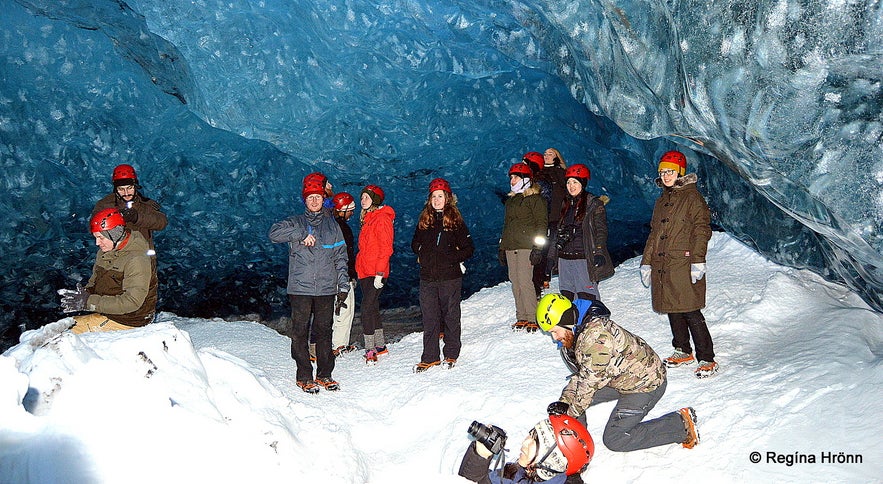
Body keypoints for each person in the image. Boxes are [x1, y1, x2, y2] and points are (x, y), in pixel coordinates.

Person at [536, 293, 700, 452]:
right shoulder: (579, 330)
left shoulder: (596, 338)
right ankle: (578, 446)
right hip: (618, 377)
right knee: (573, 401)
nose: (554, 337)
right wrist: (565, 402)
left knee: (615, 438)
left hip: (645, 384)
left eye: (554, 331)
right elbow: (583, 376)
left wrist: (569, 413)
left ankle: (680, 425)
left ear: (566, 322)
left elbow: (587, 385)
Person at [639, 150, 718, 379]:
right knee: (673, 307)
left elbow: (702, 229)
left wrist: (698, 260)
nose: (666, 176)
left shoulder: (692, 198)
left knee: (690, 310)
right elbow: (655, 234)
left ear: (680, 173)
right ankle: (682, 349)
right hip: (664, 262)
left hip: (683, 261)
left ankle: (707, 358)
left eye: (670, 171)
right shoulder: (662, 200)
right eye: (663, 172)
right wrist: (647, 262)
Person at [269, 176, 349, 393]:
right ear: (305, 200)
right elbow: (273, 233)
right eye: (310, 197)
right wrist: (302, 234)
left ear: (324, 199)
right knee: (300, 332)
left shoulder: (333, 226)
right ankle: (304, 375)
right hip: (300, 289)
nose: (314, 201)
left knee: (324, 332)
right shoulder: (295, 222)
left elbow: (341, 257)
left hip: (325, 288)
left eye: (318, 197)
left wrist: (343, 285)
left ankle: (325, 374)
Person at [58, 208, 157, 333]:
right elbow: (96, 280)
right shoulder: (105, 251)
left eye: (100, 237)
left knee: (66, 334)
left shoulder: (136, 259)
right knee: (62, 327)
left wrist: (88, 302)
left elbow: (132, 302)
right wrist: (85, 294)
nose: (97, 242)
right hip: (111, 312)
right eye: (95, 237)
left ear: (115, 234)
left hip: (130, 319)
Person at [411, 178, 474, 372]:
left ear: (447, 198)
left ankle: (451, 353)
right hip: (428, 277)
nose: (437, 200)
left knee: (450, 315)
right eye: (434, 197)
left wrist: (451, 258)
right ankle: (430, 356)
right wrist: (422, 252)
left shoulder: (455, 221)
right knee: (430, 317)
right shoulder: (425, 220)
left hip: (449, 277)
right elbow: (414, 243)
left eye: (440, 196)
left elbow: (468, 248)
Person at [458, 415, 594, 484]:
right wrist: (481, 453)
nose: (525, 442)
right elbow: (476, 481)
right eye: (530, 434)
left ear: (553, 459)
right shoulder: (522, 473)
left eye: (534, 441)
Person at [546, 164, 614, 301]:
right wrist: (551, 258)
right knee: (567, 294)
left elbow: (600, 230)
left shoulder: (594, 204)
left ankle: (592, 320)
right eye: (568, 182)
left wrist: (599, 252)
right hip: (564, 258)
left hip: (583, 256)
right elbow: (557, 233)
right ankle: (574, 321)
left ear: (583, 183)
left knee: (587, 294)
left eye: (575, 182)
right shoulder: (565, 204)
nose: (571, 186)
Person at [500, 163, 547, 332]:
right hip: (511, 246)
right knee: (515, 282)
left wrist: (538, 248)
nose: (512, 181)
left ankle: (533, 316)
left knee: (525, 281)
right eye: (511, 177)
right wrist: (502, 247)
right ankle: (521, 316)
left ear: (526, 180)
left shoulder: (535, 199)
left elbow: (542, 225)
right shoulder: (511, 201)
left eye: (515, 177)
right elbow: (507, 225)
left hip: (527, 246)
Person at [356, 184, 395, 363]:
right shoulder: (369, 218)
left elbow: (385, 248)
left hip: (375, 272)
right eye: (362, 197)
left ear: (375, 200)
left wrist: (380, 273)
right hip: (366, 271)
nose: (362, 200)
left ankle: (370, 349)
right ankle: (380, 345)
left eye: (366, 197)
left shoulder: (381, 219)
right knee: (372, 308)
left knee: (366, 308)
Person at [92, 164, 167, 255]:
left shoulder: (146, 205)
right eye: (121, 189)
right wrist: (114, 219)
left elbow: (162, 222)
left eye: (130, 188)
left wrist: (137, 217)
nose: (126, 193)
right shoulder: (105, 205)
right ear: (115, 189)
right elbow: (92, 227)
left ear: (135, 186)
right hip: (113, 259)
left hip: (142, 258)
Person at [521, 151, 554, 297]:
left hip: (536, 229)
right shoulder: (536, 182)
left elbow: (539, 209)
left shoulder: (539, 184)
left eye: (525, 164)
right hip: (533, 229)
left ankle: (536, 295)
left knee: (535, 264)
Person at [330, 192, 358, 356]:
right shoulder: (342, 228)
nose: (352, 213)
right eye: (350, 210)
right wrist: (349, 275)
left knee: (336, 310)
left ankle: (336, 343)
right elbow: (346, 253)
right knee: (344, 309)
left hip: (333, 274)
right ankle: (338, 345)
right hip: (342, 276)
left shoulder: (330, 225)